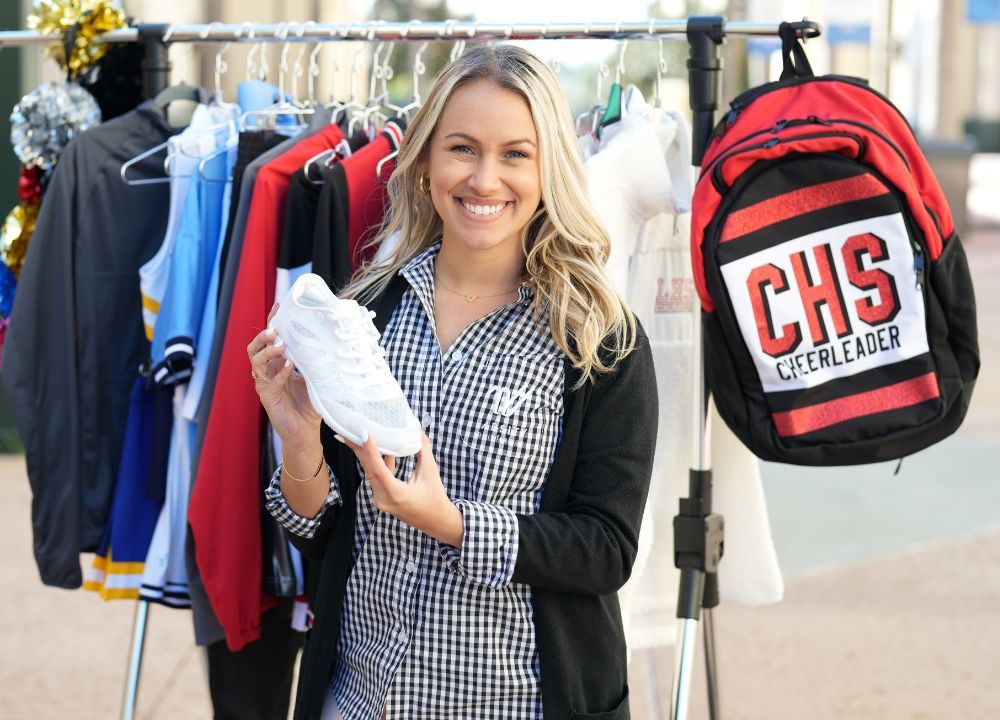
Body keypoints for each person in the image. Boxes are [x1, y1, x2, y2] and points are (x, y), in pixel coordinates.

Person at [247, 44, 658, 720]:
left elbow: (605, 549)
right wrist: (300, 445)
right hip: (358, 703)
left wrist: (454, 524)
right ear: (427, 160)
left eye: (516, 154)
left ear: (550, 166)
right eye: (463, 148)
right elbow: (320, 532)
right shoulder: (365, 311)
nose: (485, 179)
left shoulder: (599, 340)